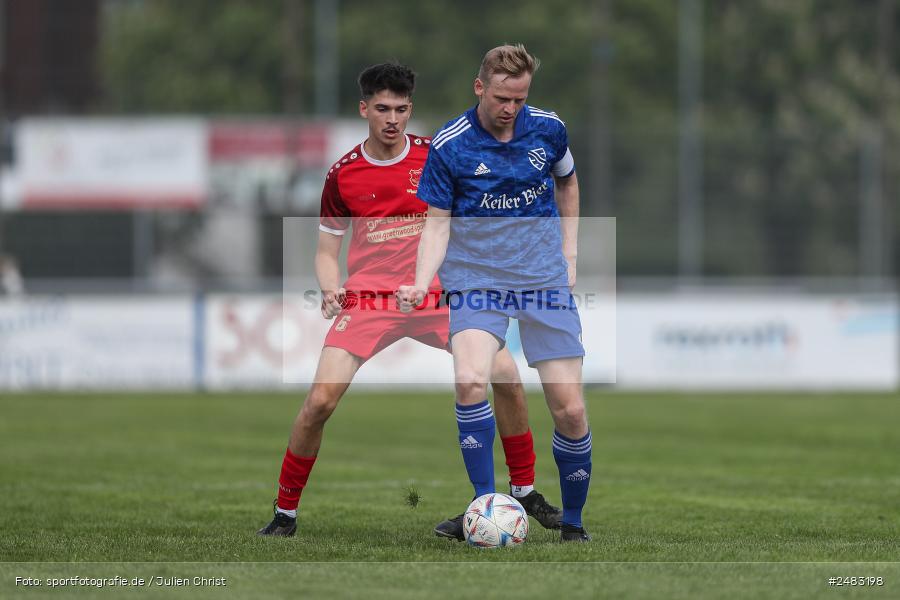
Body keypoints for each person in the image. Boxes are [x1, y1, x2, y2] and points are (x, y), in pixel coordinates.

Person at [258, 62, 562, 538]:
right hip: (369, 300)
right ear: (364, 110)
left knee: (506, 376)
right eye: (382, 108)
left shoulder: (436, 154)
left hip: (437, 294)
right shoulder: (343, 175)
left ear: (410, 110)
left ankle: (522, 490)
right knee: (319, 401)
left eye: (401, 109)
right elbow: (325, 250)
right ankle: (284, 512)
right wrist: (329, 286)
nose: (392, 118)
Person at [398, 44, 592, 542]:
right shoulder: (450, 144)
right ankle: (482, 508)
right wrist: (422, 282)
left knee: (569, 409)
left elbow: (567, 182)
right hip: (475, 276)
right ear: (480, 87)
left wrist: (569, 254)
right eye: (503, 97)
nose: (511, 108)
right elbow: (437, 226)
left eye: (520, 98)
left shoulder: (548, 128)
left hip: (541, 275)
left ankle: (572, 525)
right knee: (469, 380)